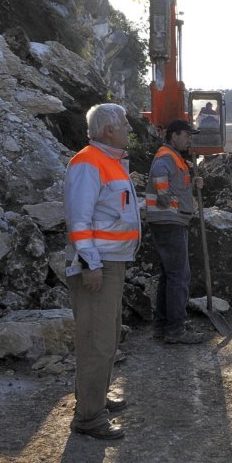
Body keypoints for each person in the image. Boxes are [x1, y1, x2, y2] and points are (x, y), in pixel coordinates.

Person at [63, 103, 141, 440]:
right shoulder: (88, 162)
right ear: (108, 130)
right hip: (98, 266)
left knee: (105, 338)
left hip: (112, 263)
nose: (129, 129)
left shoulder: (108, 161)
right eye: (124, 124)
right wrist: (90, 263)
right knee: (96, 342)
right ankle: (89, 418)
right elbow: (78, 220)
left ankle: (93, 400)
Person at [145, 119, 206, 345]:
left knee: (169, 276)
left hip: (170, 220)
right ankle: (175, 330)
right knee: (179, 276)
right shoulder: (166, 156)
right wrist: (163, 195)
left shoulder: (177, 158)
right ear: (173, 136)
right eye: (186, 135)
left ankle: (163, 326)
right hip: (169, 220)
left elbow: (178, 184)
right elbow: (159, 173)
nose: (189, 139)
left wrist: (194, 182)